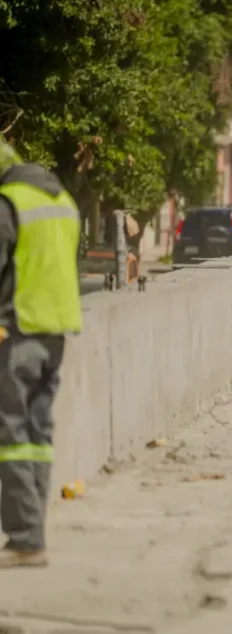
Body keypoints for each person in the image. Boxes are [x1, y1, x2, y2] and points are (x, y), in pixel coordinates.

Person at [0, 163, 82, 568]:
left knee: (11, 436)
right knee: (36, 434)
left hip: (17, 331)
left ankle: (26, 539)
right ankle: (35, 531)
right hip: (56, 332)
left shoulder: (9, 204)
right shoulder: (65, 203)